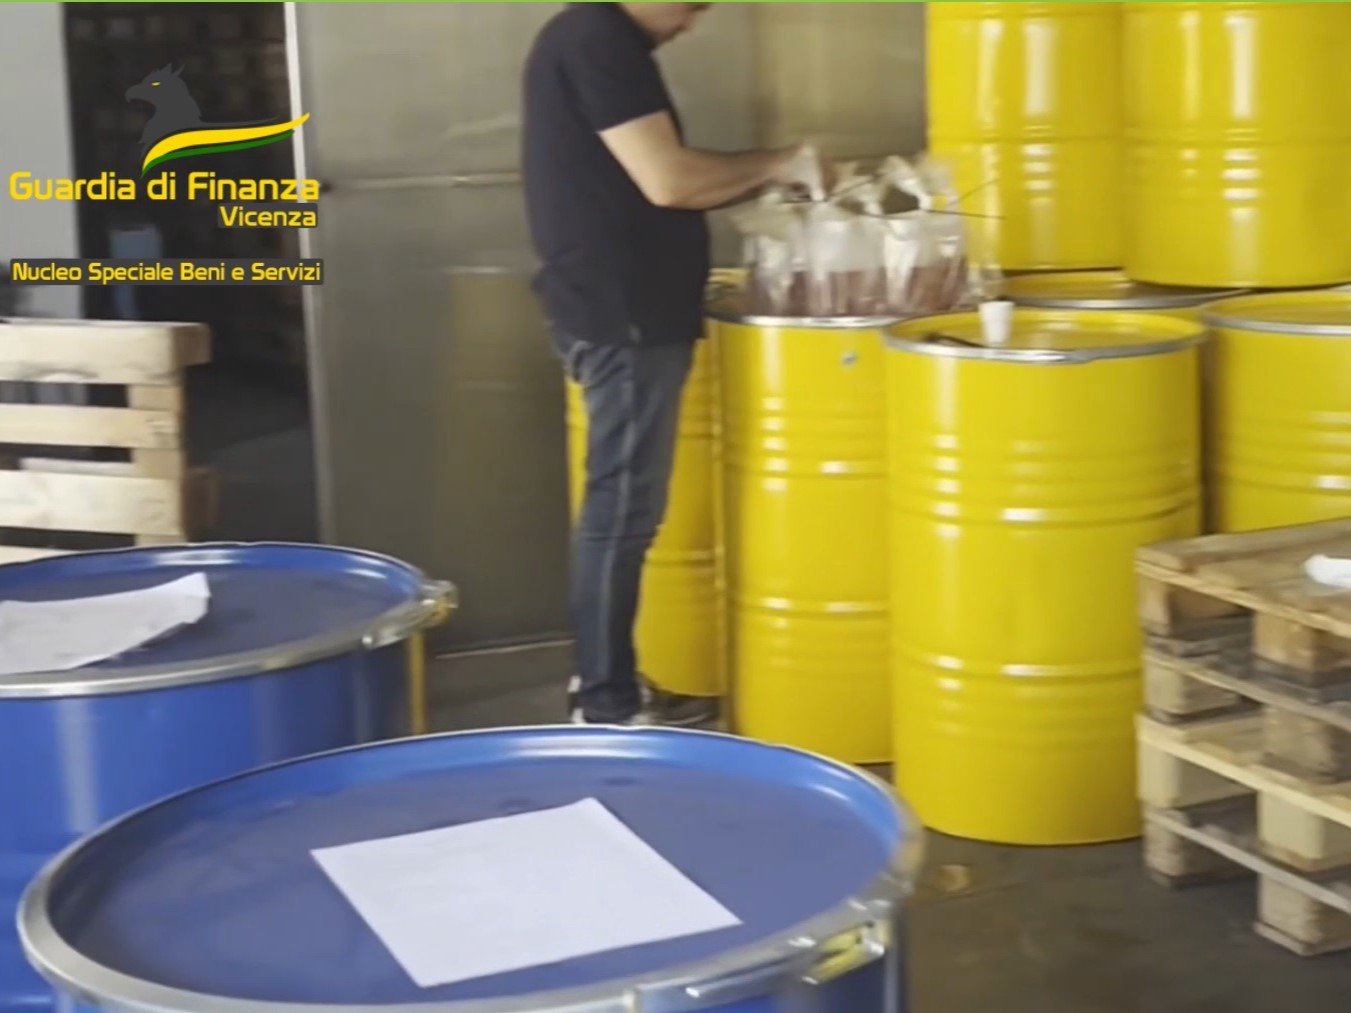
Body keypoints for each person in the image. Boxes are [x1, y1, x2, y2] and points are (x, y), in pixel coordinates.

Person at [522, 2, 812, 727]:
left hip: (618, 310)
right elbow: (669, 181)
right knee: (621, 512)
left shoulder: (594, 38)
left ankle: (606, 680)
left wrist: (767, 177)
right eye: (691, 5)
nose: (690, 24)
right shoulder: (598, 40)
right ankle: (605, 703)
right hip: (624, 318)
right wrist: (778, 163)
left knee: (620, 508)